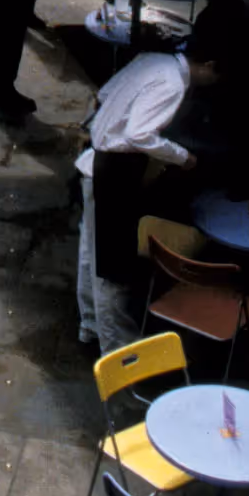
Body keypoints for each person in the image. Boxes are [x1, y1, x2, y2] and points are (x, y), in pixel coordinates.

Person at [74, 18, 226, 354]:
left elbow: (105, 94)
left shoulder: (152, 60)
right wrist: (182, 157)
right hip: (113, 171)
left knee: (91, 252)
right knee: (112, 270)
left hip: (97, 162)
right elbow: (139, 134)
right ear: (210, 66)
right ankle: (120, 355)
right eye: (215, 76)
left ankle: (91, 328)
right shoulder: (172, 83)